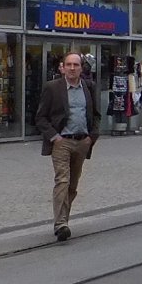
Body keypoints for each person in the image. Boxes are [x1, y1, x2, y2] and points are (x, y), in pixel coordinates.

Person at [34, 51, 101, 241]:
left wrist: (91, 137)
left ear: (81, 68)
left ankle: (64, 219)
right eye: (69, 65)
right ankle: (61, 224)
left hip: (82, 142)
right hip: (62, 142)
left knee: (72, 185)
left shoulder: (88, 87)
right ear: (62, 68)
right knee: (62, 181)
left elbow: (96, 115)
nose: (72, 68)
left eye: (76, 65)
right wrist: (54, 137)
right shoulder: (52, 88)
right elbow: (40, 117)